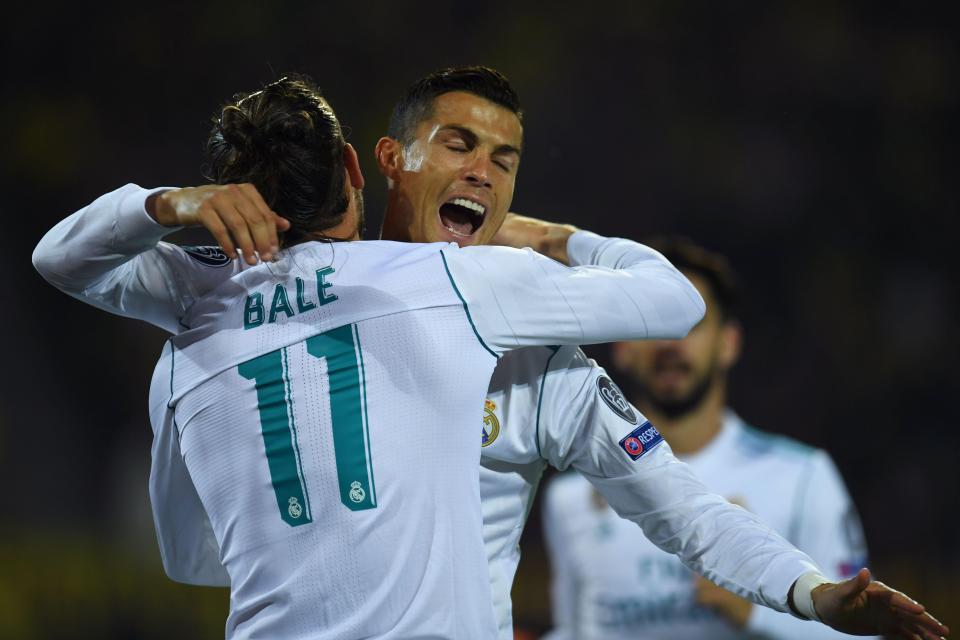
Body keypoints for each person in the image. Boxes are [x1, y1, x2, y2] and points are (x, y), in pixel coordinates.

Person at [35, 69, 949, 640]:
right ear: (382, 162)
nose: (483, 172)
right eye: (459, 144)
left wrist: (806, 592)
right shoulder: (446, 289)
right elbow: (668, 298)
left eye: (505, 159)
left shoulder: (206, 317)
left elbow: (681, 508)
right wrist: (564, 241)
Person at [541, 237, 883, 639]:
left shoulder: (803, 477)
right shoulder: (571, 498)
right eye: (654, 323)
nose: (672, 343)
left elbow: (857, 629)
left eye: (691, 324)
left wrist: (757, 614)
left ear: (728, 343)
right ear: (623, 344)